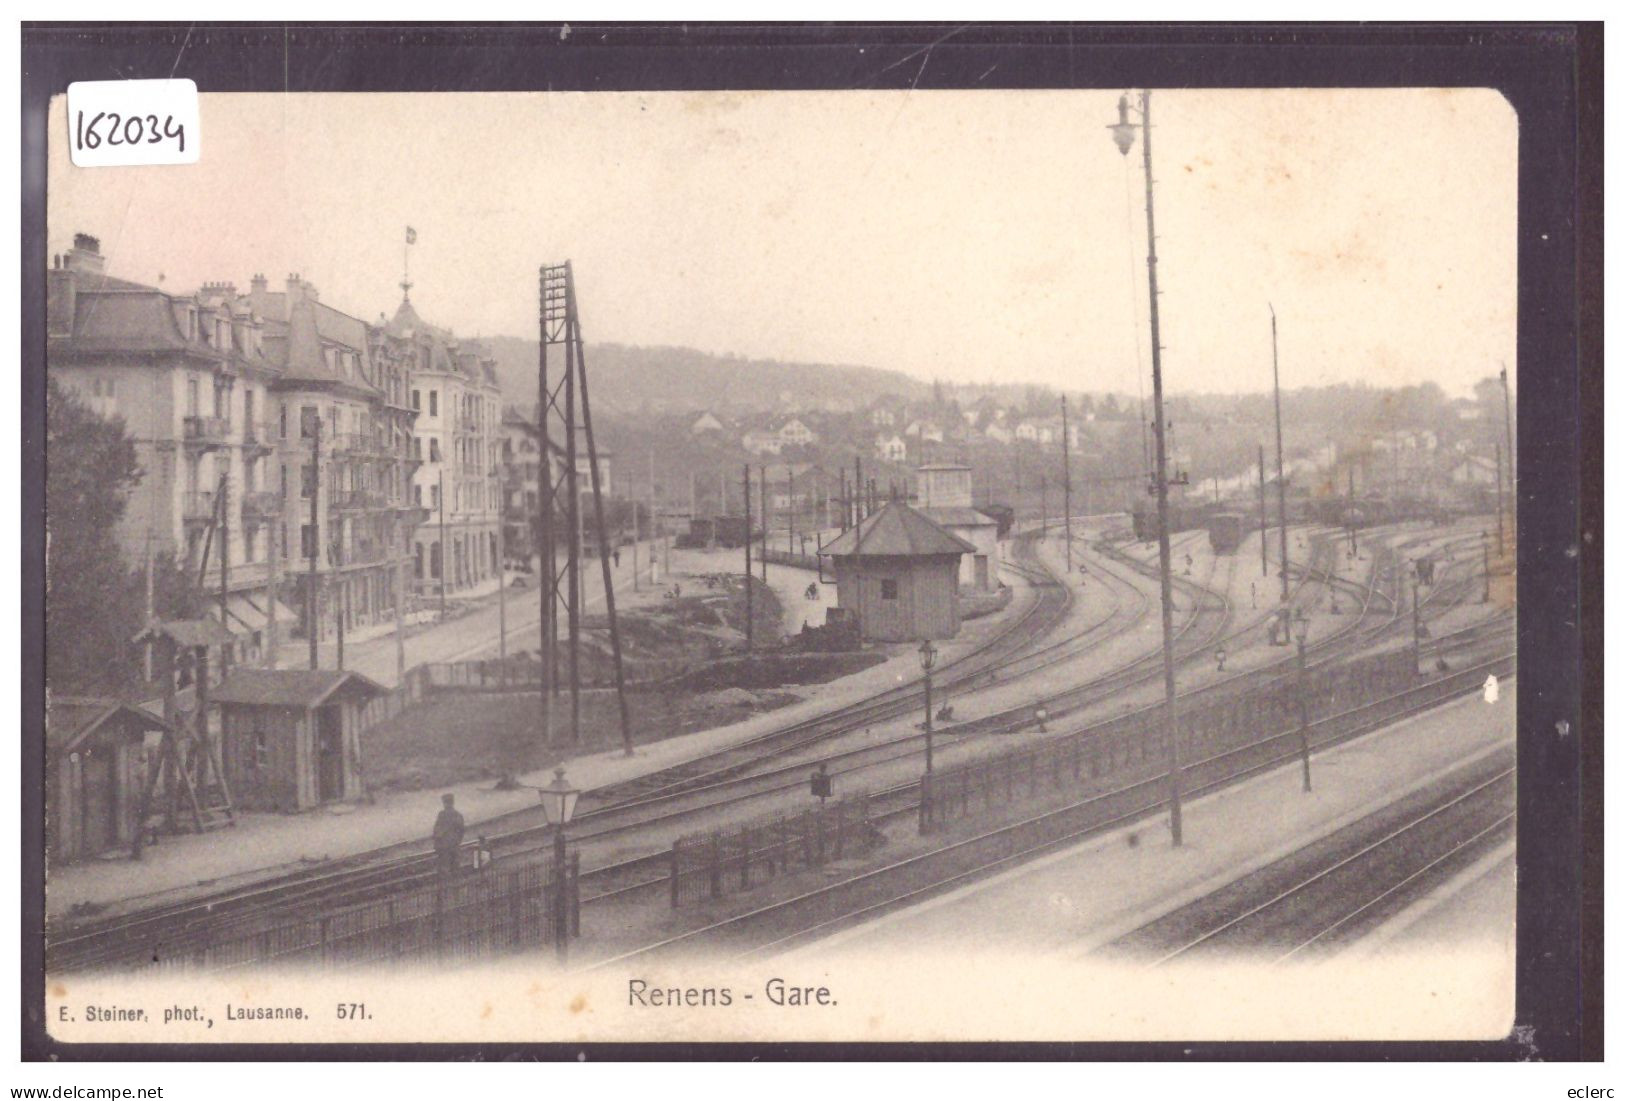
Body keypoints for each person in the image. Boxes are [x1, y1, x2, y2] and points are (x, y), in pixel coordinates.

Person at [433, 793, 465, 875]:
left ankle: (447, 884)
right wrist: (457, 841)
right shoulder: (458, 815)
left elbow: (436, 831)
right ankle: (455, 884)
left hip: (444, 847)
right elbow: (462, 831)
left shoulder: (442, 815)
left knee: (445, 868)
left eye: (445, 803)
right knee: (455, 867)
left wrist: (437, 844)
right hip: (454, 845)